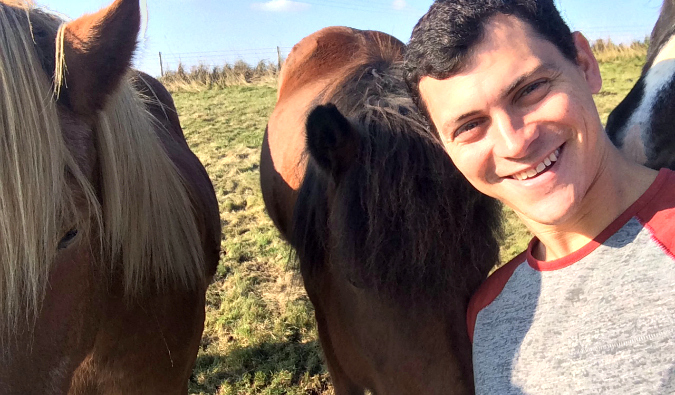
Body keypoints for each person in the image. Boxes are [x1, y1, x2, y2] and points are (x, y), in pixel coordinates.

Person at [404, 0, 675, 393]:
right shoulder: (487, 312)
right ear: (446, 150)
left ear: (585, 64)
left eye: (531, 90)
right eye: (469, 126)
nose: (515, 143)